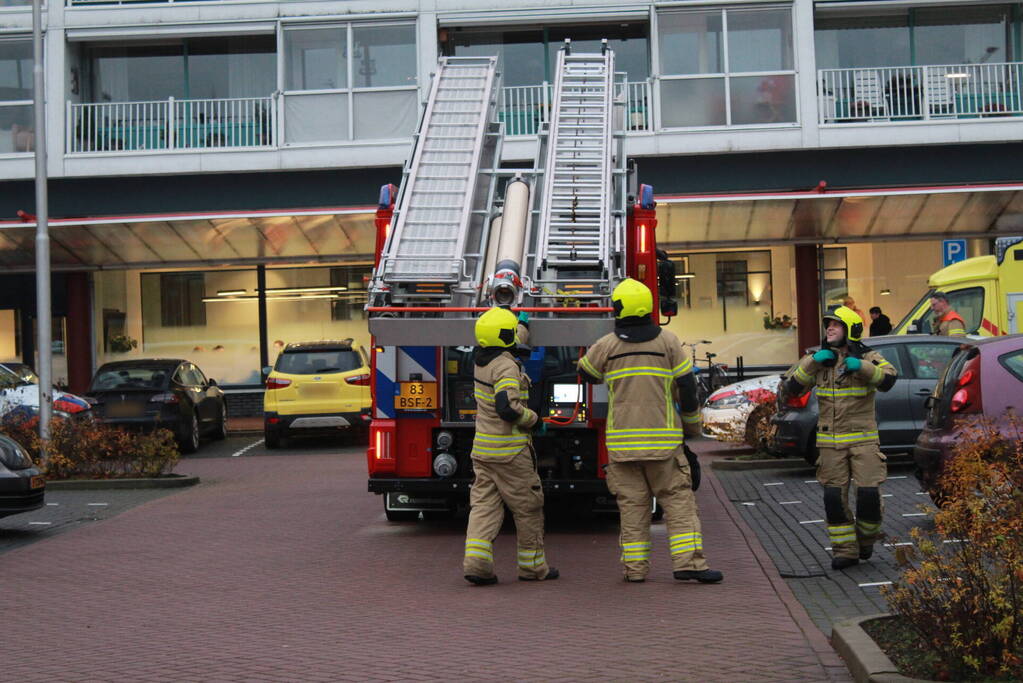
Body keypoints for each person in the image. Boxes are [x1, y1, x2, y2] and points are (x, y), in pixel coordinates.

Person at [578, 279, 722, 584]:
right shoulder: (668, 342)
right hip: (664, 446)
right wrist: (692, 425)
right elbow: (686, 386)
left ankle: (635, 570)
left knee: (632, 509)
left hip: (623, 447)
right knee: (678, 503)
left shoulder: (608, 345)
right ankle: (689, 565)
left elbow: (585, 373)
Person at [784, 306, 898, 570]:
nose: (829, 329)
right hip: (830, 445)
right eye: (828, 325)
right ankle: (845, 551)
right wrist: (812, 362)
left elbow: (889, 379)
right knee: (834, 499)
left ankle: (865, 540)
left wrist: (862, 367)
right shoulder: (819, 360)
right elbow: (791, 388)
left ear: (851, 330)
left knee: (868, 497)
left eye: (836, 325)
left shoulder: (869, 357)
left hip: (864, 441)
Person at [463, 307, 558, 585]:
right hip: (511, 453)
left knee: (484, 508)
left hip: (483, 452)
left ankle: (477, 566)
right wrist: (533, 420)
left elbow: (506, 340)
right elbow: (507, 408)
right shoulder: (505, 366)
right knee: (528, 508)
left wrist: (521, 326)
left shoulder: (482, 359)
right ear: (503, 336)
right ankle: (532, 568)